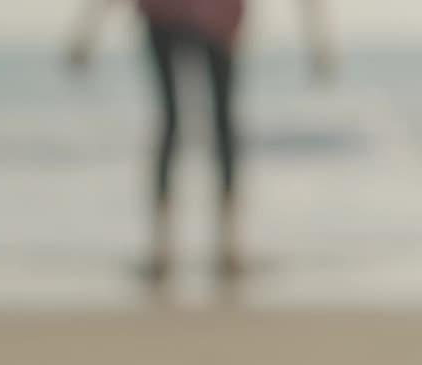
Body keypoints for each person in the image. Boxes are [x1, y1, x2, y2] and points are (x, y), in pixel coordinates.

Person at [68, 1, 335, 282]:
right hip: (171, 16)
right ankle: (173, 249)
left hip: (209, 18)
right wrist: (89, 29)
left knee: (209, 124)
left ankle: (218, 247)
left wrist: (317, 35)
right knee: (189, 123)